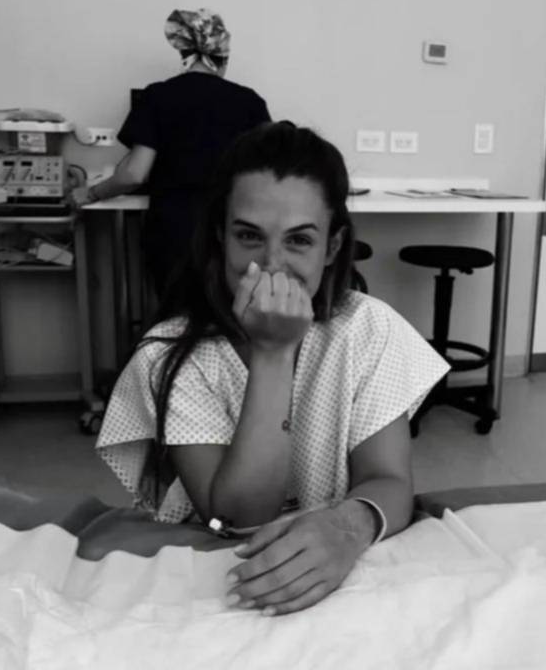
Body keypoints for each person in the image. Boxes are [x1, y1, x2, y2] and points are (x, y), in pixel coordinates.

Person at [96, 122, 449, 616]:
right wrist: (273, 354)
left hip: (331, 580)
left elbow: (388, 479)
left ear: (331, 248)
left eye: (299, 240)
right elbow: (237, 519)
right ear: (221, 237)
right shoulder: (169, 355)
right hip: (213, 581)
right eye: (249, 236)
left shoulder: (367, 329)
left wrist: (347, 526)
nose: (272, 264)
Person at [69, 8, 271, 295]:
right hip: (232, 231)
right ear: (222, 58)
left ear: (184, 54)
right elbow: (267, 174)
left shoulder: (157, 96)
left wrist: (90, 193)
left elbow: (134, 174)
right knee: (230, 310)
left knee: (176, 313)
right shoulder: (249, 102)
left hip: (174, 232)